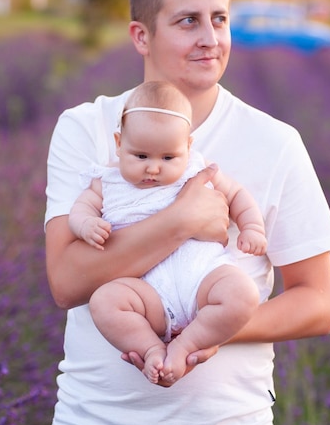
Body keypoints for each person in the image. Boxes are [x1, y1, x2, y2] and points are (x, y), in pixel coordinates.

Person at [32, 0, 330, 425]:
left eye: (220, 19)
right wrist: (182, 220)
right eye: (188, 21)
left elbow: (317, 303)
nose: (211, 38)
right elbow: (67, 281)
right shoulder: (89, 129)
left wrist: (194, 333)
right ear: (141, 36)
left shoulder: (275, 143)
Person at [68, 80, 266, 385]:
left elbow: (237, 194)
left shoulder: (197, 169)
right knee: (105, 302)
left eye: (167, 158)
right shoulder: (106, 181)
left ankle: (184, 345)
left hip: (202, 276)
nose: (153, 168)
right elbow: (81, 209)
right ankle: (152, 350)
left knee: (242, 294)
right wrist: (86, 225)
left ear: (187, 146)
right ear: (119, 144)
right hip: (147, 293)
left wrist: (252, 226)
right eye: (141, 156)